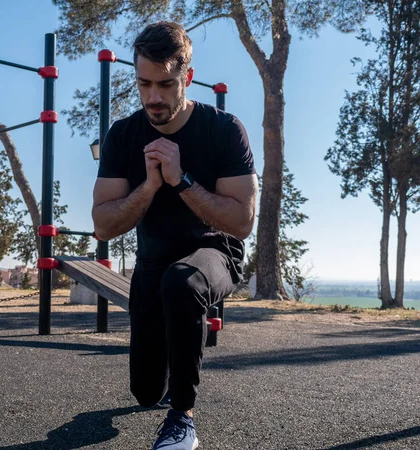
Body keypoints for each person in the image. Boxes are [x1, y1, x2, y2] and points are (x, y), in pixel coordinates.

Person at [92, 21, 258, 450]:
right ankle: (166, 379)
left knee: (182, 283)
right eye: (144, 83)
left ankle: (182, 417)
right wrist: (149, 186)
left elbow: (241, 223)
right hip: (153, 260)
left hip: (214, 251)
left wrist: (181, 179)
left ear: (186, 77)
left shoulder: (224, 129)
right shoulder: (124, 135)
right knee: (145, 392)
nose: (153, 97)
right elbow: (103, 225)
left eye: (165, 84)